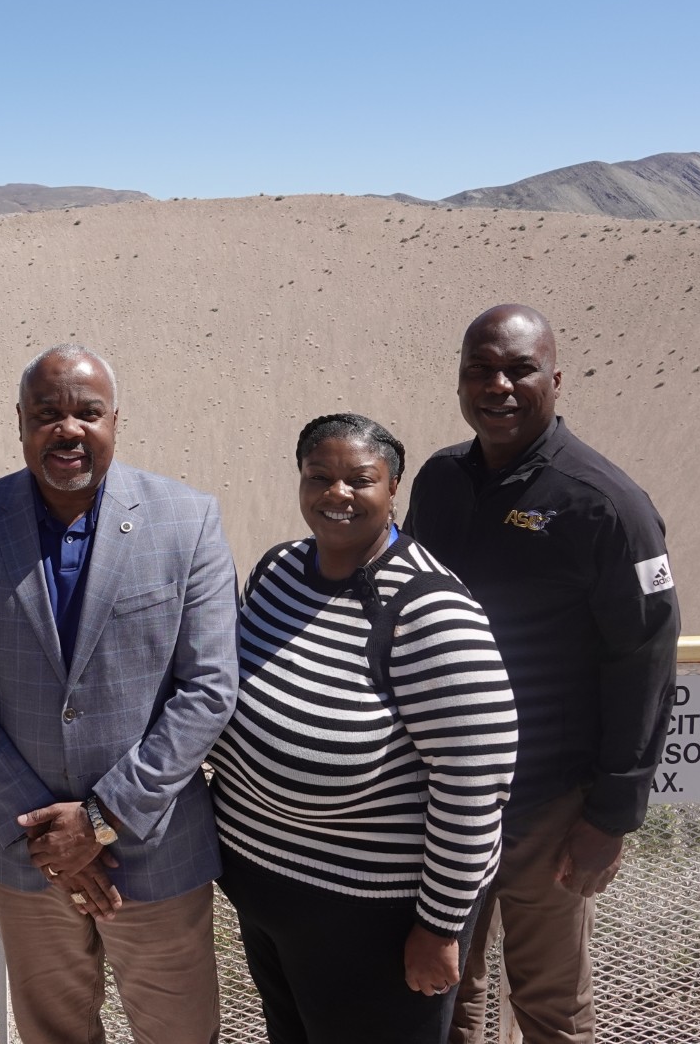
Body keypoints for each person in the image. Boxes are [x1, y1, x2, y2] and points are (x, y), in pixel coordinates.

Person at [0, 344, 239, 1044]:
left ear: (115, 421)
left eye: (87, 413)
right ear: (20, 422)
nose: (67, 429)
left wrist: (98, 821)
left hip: (153, 851)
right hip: (26, 859)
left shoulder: (188, 521)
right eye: (47, 413)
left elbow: (210, 689)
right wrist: (46, 837)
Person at [403, 305, 680, 1044]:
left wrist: (613, 814)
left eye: (519, 369)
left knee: (551, 1008)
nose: (498, 386)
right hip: (444, 795)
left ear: (554, 379)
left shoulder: (605, 505)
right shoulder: (438, 482)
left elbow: (646, 658)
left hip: (549, 804)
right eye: (480, 369)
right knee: (440, 993)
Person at [209, 413, 516, 1044]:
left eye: (360, 480)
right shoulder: (278, 574)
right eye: (319, 476)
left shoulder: (433, 612)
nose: (337, 494)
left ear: (393, 487)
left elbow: (474, 787)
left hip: (373, 925)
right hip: (266, 899)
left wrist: (439, 927)